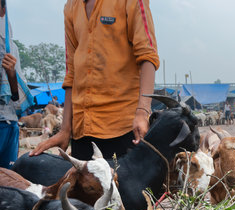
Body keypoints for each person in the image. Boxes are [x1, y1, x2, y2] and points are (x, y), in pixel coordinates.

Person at [31, 0, 159, 160]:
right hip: (82, 132)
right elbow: (71, 71)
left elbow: (148, 56)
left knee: (122, 184)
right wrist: (65, 130)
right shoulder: (71, 6)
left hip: (123, 127)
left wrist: (142, 113)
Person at [0, 0, 21, 169]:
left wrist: (12, 74)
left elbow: (17, 98)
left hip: (8, 121)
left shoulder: (11, 48)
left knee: (8, 180)